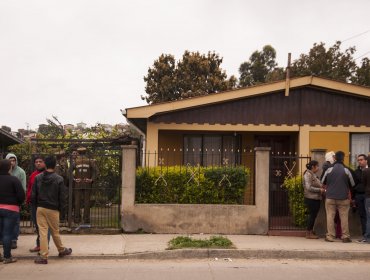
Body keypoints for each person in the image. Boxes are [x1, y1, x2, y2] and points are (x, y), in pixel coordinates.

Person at [31, 156, 72, 264]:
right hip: (53, 209)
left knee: (43, 233)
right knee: (55, 231)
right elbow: (62, 197)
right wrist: (61, 210)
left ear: (45, 164)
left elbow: (33, 195)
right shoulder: (59, 179)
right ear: (54, 165)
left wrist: (36, 207)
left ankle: (44, 256)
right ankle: (62, 250)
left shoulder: (38, 177)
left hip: (40, 208)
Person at [321, 151, 355, 243]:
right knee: (344, 217)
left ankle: (330, 236)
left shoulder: (329, 169)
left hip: (330, 197)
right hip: (343, 197)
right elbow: (353, 184)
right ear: (343, 158)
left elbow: (322, 181)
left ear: (335, 158)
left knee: (330, 216)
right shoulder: (347, 169)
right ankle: (345, 236)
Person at [0, 159, 25, 264]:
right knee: (7, 234)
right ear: (9, 168)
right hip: (11, 209)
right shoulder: (14, 180)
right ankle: (7, 257)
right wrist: (17, 203)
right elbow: (21, 196)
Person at [26, 155, 49, 253]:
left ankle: (44, 246)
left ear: (44, 163)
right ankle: (40, 245)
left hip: (44, 204)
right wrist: (28, 200)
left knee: (44, 226)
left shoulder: (48, 175)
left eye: (40, 161)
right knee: (37, 225)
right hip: (34, 204)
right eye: (36, 162)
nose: (38, 163)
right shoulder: (33, 175)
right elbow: (29, 189)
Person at [5, 153, 26, 249]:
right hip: (3, 201)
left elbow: (23, 187)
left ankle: (14, 240)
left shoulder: (20, 172)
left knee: (15, 221)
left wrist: (20, 200)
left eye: (14, 160)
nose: (12, 162)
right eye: (10, 160)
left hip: (15, 201)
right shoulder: (3, 172)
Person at [73, 147, 97, 224]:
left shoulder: (75, 161)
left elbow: (68, 172)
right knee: (87, 202)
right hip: (87, 184)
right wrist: (91, 179)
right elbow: (96, 171)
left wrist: (74, 179)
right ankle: (86, 219)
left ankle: (77, 219)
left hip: (78, 184)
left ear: (78, 153)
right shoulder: (90, 161)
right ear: (86, 152)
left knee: (77, 202)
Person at [303, 160, 325, 239]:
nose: (318, 168)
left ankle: (310, 231)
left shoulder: (313, 174)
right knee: (312, 216)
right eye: (317, 166)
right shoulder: (308, 174)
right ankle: (308, 233)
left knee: (313, 216)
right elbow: (308, 187)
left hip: (315, 198)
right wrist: (319, 190)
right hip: (311, 198)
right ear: (313, 167)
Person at [353, 154, 368, 242]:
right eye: (358, 160)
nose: (360, 161)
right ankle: (364, 234)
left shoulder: (368, 170)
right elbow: (353, 184)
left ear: (366, 160)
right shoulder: (356, 172)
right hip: (359, 196)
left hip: (368, 195)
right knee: (362, 215)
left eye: (361, 160)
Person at [361, 165, 370, 243]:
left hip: (368, 196)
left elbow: (363, 183)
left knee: (369, 217)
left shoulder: (365, 171)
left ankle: (367, 237)